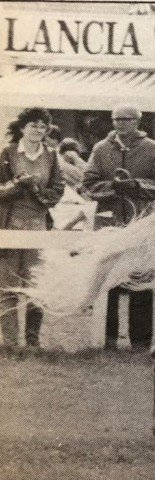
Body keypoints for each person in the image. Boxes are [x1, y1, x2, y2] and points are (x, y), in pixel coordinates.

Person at [82, 104, 155, 351]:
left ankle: (140, 342)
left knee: (141, 281)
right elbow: (88, 183)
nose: (121, 123)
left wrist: (136, 185)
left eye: (127, 119)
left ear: (138, 122)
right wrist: (113, 188)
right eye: (116, 119)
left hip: (141, 221)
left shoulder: (153, 149)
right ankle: (107, 340)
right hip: (109, 222)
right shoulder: (100, 149)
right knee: (108, 282)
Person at [0, 107, 65, 346]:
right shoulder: (7, 153)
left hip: (38, 227)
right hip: (9, 225)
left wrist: (38, 191)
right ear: (22, 128)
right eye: (33, 125)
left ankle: (33, 341)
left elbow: (58, 190)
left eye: (42, 126)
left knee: (36, 287)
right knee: (7, 286)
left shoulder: (51, 155)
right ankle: (10, 343)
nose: (38, 130)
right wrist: (17, 186)